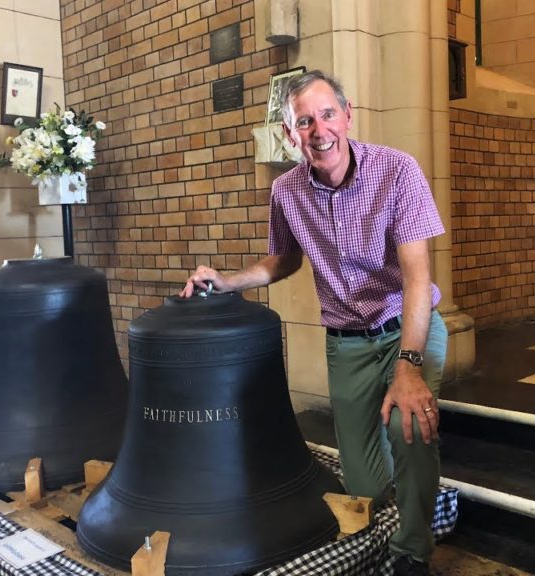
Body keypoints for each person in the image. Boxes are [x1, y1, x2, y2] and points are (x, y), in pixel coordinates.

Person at [180, 69, 448, 576]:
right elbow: (283, 260)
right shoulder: (286, 191)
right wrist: (226, 280)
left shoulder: (399, 171)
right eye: (304, 121)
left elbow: (417, 279)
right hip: (347, 344)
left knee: (407, 425)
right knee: (367, 487)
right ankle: (414, 480)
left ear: (348, 116)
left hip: (406, 327)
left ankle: (413, 551)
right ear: (289, 134)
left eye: (327, 114)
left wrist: (409, 367)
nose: (319, 130)